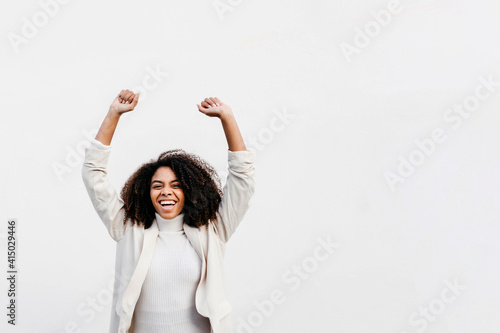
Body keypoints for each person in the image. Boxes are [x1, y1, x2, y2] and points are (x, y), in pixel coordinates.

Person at [81, 89, 256, 333]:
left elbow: (243, 179)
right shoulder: (127, 228)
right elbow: (93, 173)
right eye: (157, 186)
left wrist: (227, 117)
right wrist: (113, 114)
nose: (166, 192)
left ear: (189, 191)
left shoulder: (213, 229)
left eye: (176, 186)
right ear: (146, 192)